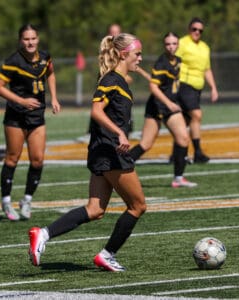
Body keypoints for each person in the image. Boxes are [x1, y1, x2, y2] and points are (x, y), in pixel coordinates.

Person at [28, 33, 147, 272]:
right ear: (124, 55)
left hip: (102, 150)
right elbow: (96, 111)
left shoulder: (120, 80)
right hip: (111, 151)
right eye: (137, 54)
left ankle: (43, 233)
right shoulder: (111, 79)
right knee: (138, 206)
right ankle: (107, 254)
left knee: (95, 210)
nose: (141, 59)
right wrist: (120, 134)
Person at [0, 24, 61, 221]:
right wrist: (21, 101)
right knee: (12, 158)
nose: (30, 42)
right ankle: (6, 201)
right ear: (20, 40)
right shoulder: (14, 61)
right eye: (26, 39)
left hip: (37, 116)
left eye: (33, 38)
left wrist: (54, 98)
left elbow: (51, 73)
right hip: (16, 117)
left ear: (38, 39)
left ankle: (26, 200)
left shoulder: (45, 57)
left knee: (38, 159)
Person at [129, 32, 197, 188]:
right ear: (164, 46)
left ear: (178, 44)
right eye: (168, 44)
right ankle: (118, 168)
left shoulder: (178, 61)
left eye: (174, 43)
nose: (171, 47)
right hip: (159, 105)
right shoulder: (162, 62)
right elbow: (153, 87)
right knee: (145, 144)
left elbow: (157, 81)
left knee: (183, 138)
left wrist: (142, 72)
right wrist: (170, 103)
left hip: (167, 105)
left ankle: (178, 178)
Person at [174, 17, 219, 163]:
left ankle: (177, 152)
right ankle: (198, 152)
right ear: (189, 29)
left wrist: (213, 88)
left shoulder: (205, 47)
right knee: (197, 115)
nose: (197, 32)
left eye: (200, 30)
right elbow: (173, 62)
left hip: (197, 88)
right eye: (194, 29)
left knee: (186, 120)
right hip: (184, 85)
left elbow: (207, 69)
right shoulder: (182, 43)